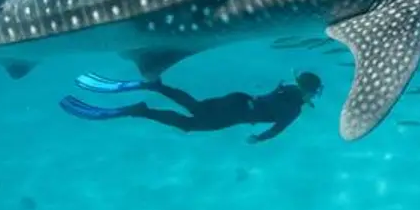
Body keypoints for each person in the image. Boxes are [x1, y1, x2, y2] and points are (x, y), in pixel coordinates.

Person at [59, 70, 323, 144]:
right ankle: (140, 110)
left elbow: (269, 98)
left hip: (237, 99)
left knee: (195, 106)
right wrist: (258, 138)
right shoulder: (294, 109)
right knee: (187, 124)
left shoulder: (286, 87)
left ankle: (157, 86)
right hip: (234, 114)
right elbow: (276, 129)